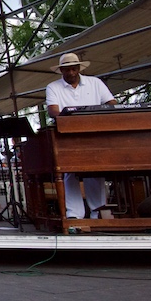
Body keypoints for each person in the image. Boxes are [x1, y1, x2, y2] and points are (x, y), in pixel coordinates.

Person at [45, 52, 117, 219]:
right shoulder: (53, 87)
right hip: (67, 136)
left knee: (95, 170)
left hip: (94, 134)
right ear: (61, 70)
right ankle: (75, 215)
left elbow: (112, 103)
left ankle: (98, 212)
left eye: (73, 69)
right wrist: (71, 119)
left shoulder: (95, 82)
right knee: (68, 172)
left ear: (79, 68)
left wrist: (94, 115)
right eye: (67, 69)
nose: (71, 73)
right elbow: (52, 110)